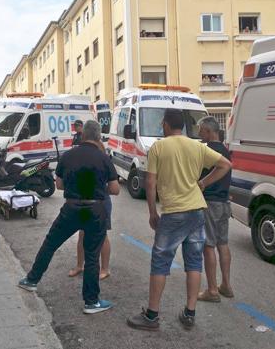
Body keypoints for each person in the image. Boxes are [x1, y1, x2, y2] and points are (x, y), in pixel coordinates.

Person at [126, 108, 231, 331]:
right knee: (193, 262)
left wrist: (152, 212)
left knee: (161, 261)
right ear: (182, 126)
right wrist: (203, 183)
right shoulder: (197, 146)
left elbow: (151, 183)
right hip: (197, 212)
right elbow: (225, 165)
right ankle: (189, 312)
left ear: (165, 124)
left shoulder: (158, 148)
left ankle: (152, 315)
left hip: (173, 213)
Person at [18, 120, 119, 314]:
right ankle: (91, 302)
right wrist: (98, 187)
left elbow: (60, 185)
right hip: (95, 211)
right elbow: (115, 189)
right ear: (98, 137)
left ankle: (31, 280)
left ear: (82, 135)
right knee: (92, 256)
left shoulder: (68, 155)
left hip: (71, 208)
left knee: (50, 243)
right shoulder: (103, 158)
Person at [196, 117, 233, 303]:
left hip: (210, 203)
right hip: (224, 203)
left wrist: (203, 182)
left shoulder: (206, 150)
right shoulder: (226, 150)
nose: (199, 134)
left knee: (208, 246)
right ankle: (226, 285)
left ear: (209, 132)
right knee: (222, 243)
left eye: (201, 130)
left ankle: (212, 290)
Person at [68, 141, 111, 280]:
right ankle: (80, 265)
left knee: (102, 235)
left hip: (101, 202)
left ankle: (105, 268)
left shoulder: (103, 163)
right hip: (85, 201)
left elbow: (114, 188)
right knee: (82, 233)